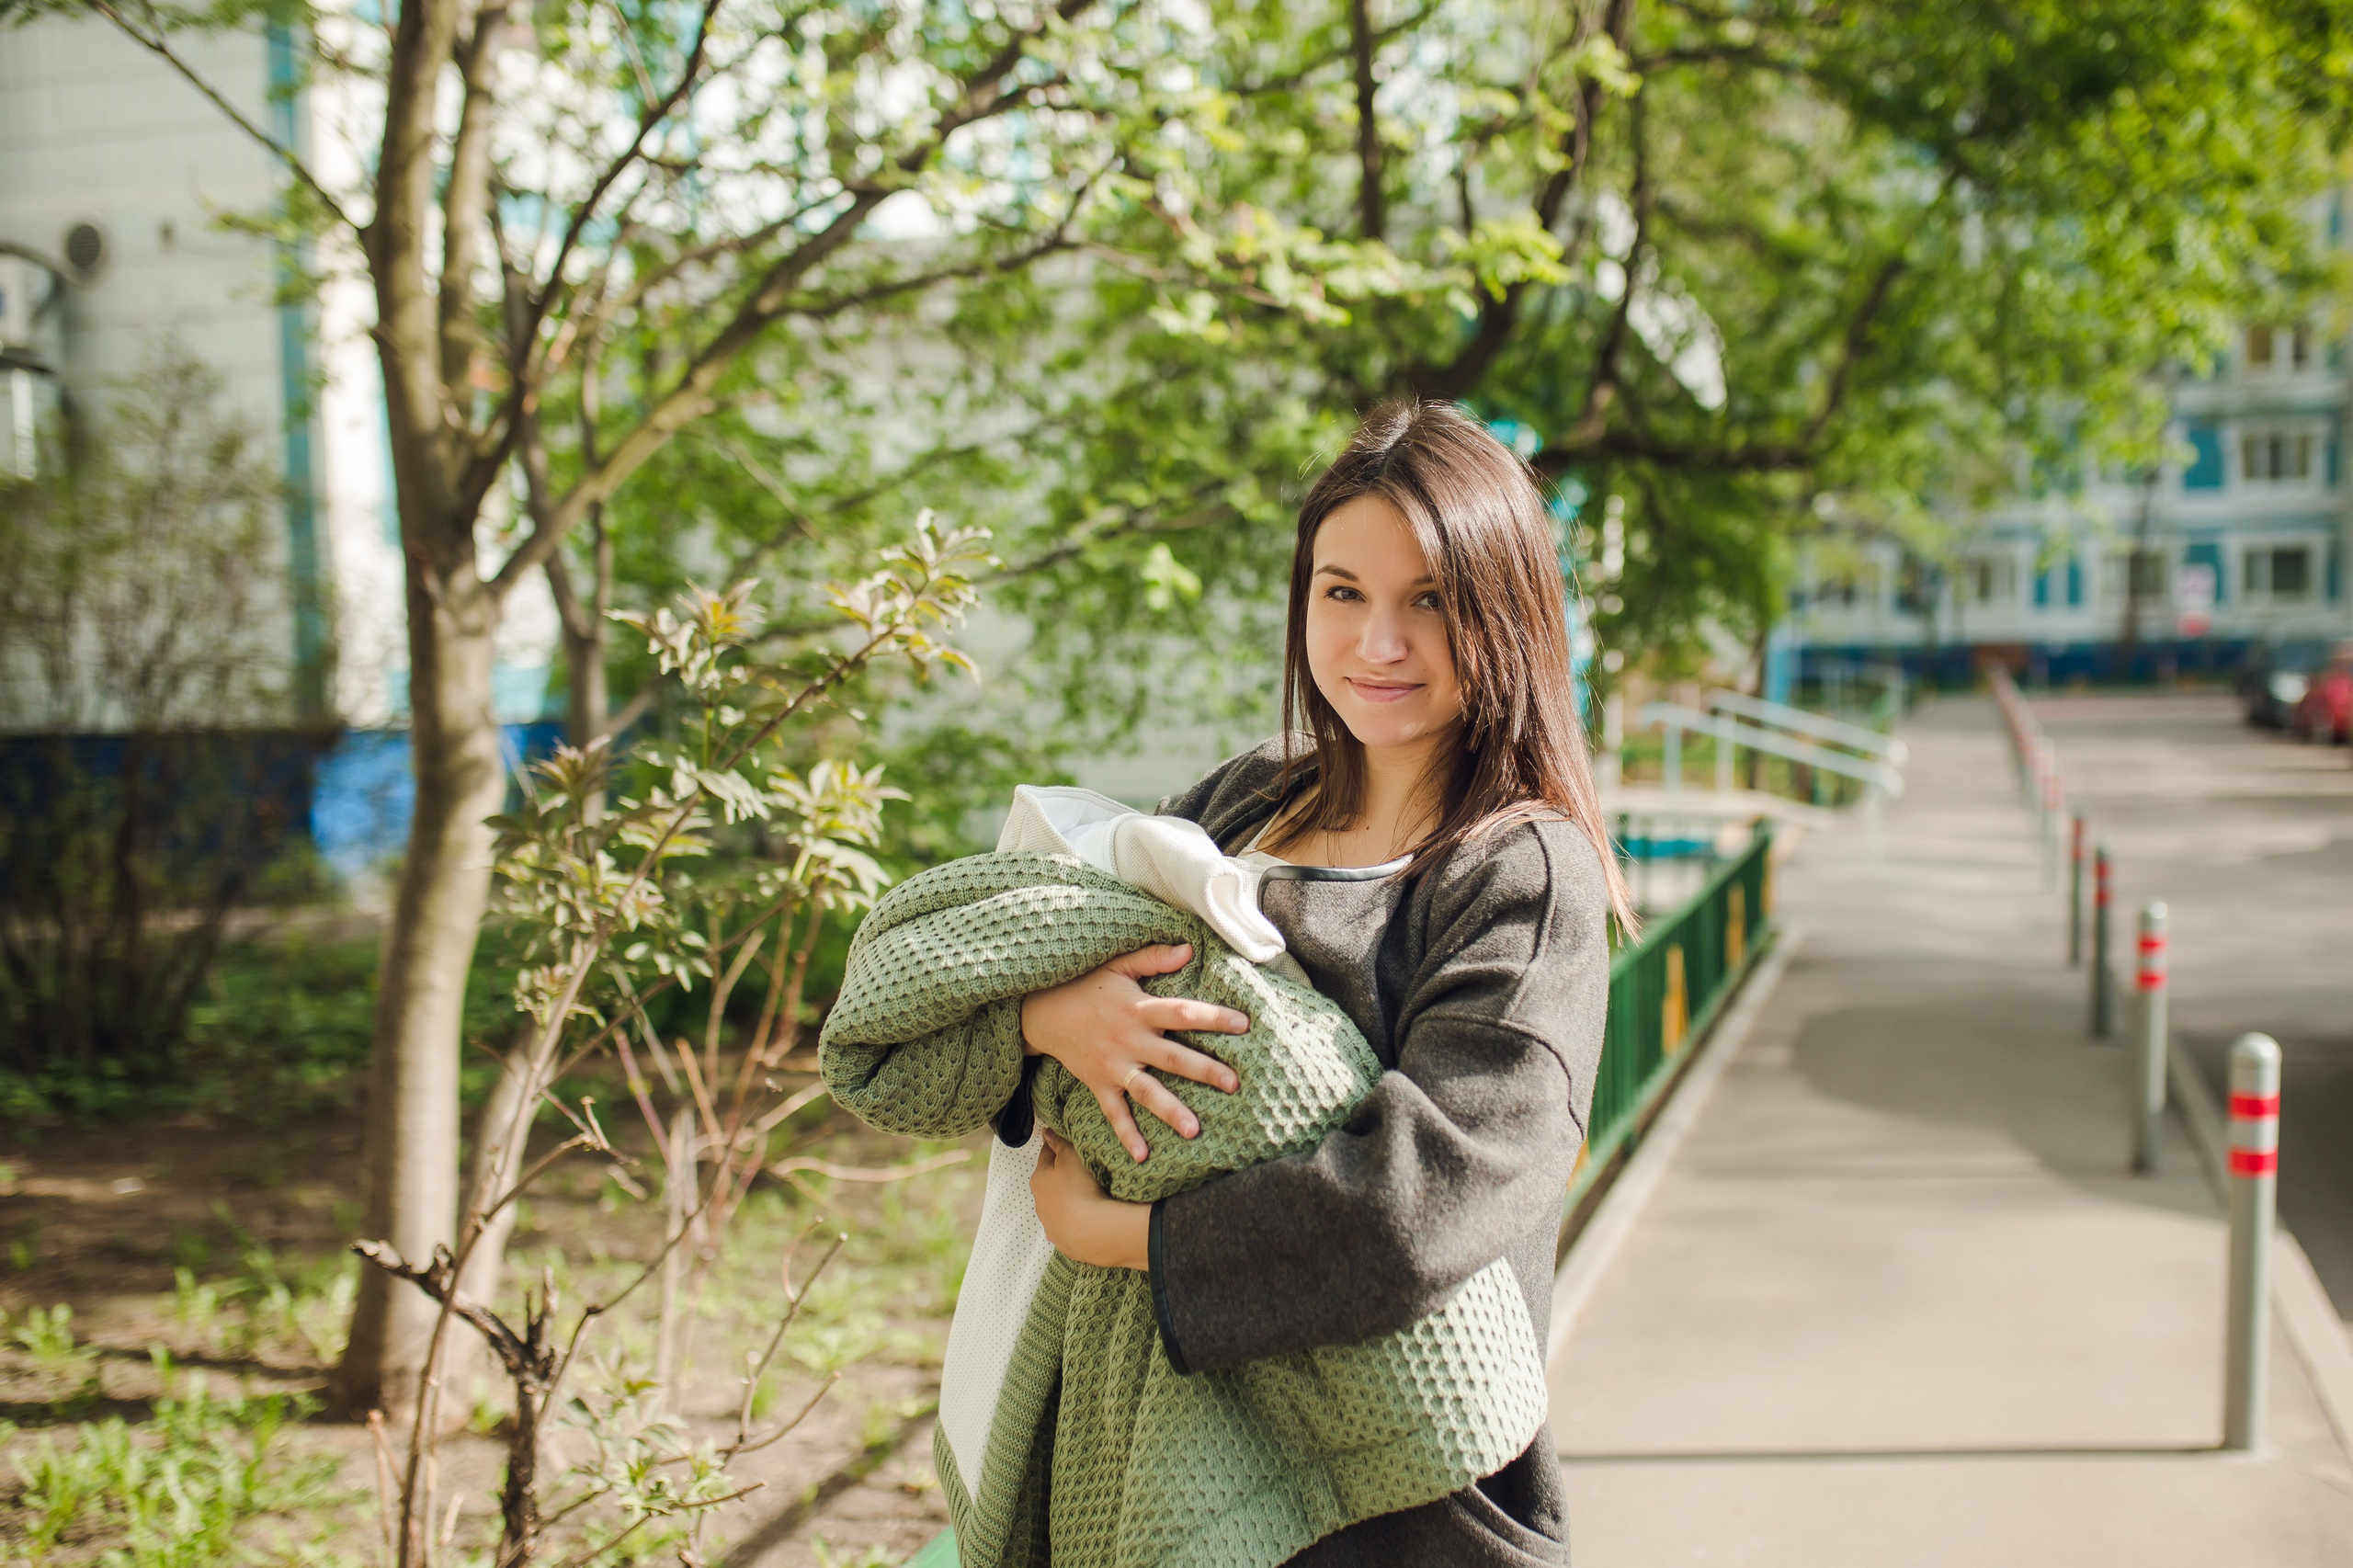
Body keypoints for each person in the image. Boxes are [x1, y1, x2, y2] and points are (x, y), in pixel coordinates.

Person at [1019, 400, 1632, 1565]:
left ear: (1504, 612)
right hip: (1145, 1456)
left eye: (1431, 600)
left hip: (1385, 1509)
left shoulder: (1519, 870)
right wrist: (1055, 1017)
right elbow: (1038, 950)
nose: (1378, 643)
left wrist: (1117, 1235)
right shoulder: (1239, 802)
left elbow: (1415, 1206)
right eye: (1342, 592)